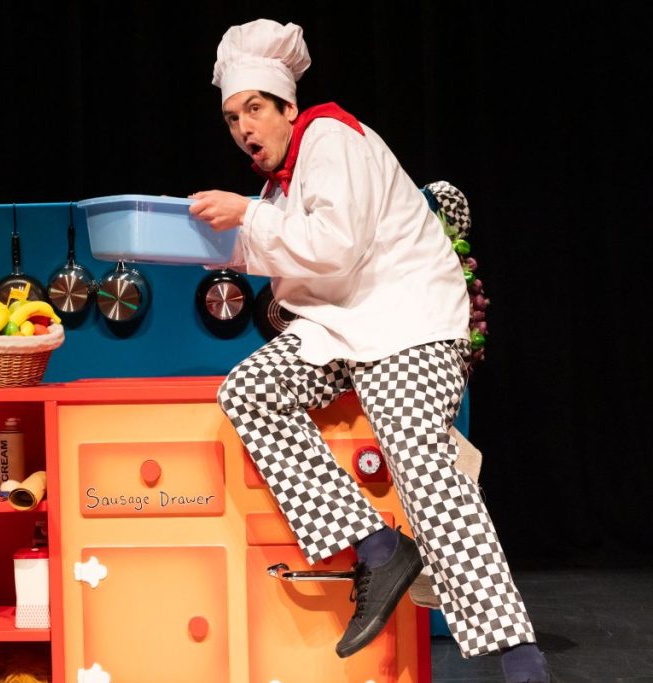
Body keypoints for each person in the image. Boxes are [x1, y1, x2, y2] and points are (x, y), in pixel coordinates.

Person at [188, 18, 552, 683]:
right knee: (249, 390)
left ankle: (521, 662)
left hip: (408, 323)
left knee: (426, 471)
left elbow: (333, 245)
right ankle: (379, 549)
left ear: (287, 108)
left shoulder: (330, 137)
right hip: (344, 330)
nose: (243, 127)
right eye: (232, 115)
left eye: (254, 110)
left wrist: (245, 217)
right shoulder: (278, 186)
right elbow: (301, 266)